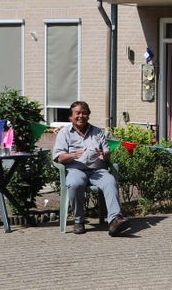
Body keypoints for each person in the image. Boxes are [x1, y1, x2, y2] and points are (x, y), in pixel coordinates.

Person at [52, 101, 129, 235]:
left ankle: (115, 220)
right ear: (71, 116)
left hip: (97, 171)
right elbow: (59, 158)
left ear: (88, 115)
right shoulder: (64, 133)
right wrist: (73, 155)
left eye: (84, 113)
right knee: (75, 183)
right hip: (76, 170)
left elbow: (106, 155)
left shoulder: (97, 132)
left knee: (110, 181)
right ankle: (79, 221)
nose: (81, 115)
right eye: (78, 113)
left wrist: (104, 156)